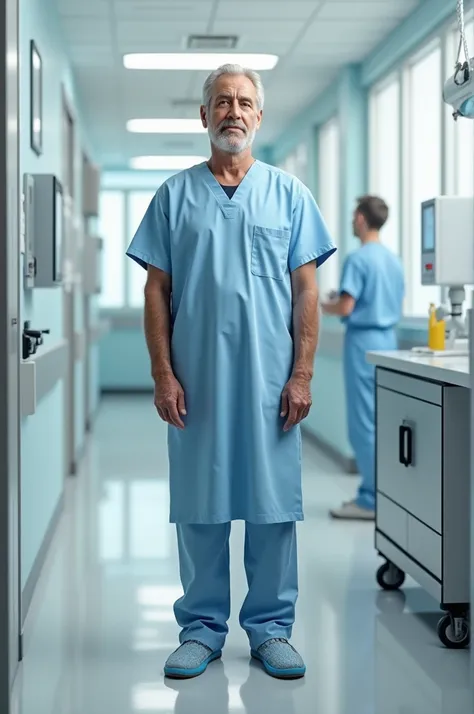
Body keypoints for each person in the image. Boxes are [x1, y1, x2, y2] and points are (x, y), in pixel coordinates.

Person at [126, 63, 336, 680]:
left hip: (271, 382)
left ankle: (271, 630)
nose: (233, 111)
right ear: (204, 116)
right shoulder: (174, 196)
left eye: (244, 101)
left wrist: (302, 375)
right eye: (222, 101)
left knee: (273, 508)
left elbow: (307, 295)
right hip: (198, 381)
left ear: (259, 116)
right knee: (200, 506)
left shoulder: (289, 194)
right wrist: (163, 374)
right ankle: (201, 629)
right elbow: (156, 294)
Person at [322, 196, 404, 521]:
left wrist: (319, 304)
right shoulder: (393, 260)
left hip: (363, 344)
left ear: (359, 219)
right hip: (389, 341)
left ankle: (371, 499)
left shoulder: (358, 260)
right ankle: (386, 492)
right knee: (383, 420)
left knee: (363, 424)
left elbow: (346, 307)